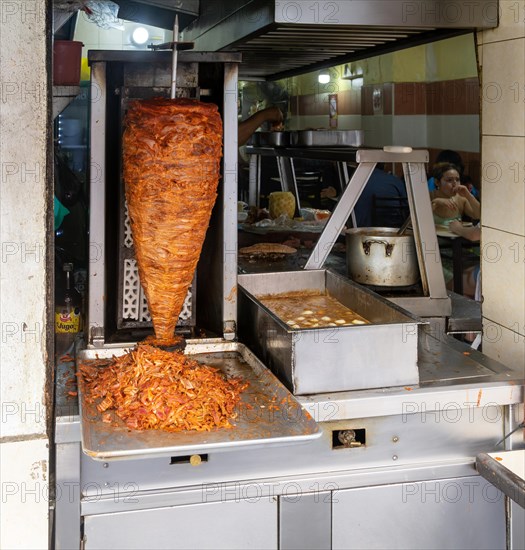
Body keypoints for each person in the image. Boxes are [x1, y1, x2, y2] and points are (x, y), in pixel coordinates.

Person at [320, 164, 408, 227]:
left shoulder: (355, 182)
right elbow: (406, 208)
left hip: (361, 234)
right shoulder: (396, 182)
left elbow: (348, 216)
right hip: (394, 231)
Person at [430, 162, 480, 227]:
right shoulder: (428, 196)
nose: (455, 184)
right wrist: (435, 202)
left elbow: (478, 215)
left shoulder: (461, 199)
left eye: (457, 180)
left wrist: (468, 195)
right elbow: (418, 221)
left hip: (455, 236)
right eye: (449, 180)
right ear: (437, 182)